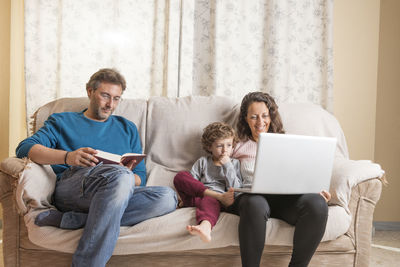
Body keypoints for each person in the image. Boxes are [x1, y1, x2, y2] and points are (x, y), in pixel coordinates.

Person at [16, 68, 177, 267]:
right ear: (90, 91)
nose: (110, 104)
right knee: (121, 177)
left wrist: (126, 175)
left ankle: (73, 220)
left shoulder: (127, 128)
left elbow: (140, 177)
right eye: (105, 96)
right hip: (73, 187)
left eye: (117, 99)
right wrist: (68, 157)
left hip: (116, 190)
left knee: (168, 198)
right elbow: (24, 148)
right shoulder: (62, 121)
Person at [228, 92, 331, 267]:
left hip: (285, 199)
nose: (260, 122)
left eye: (264, 116)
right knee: (256, 204)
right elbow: (217, 169)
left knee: (317, 203)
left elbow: (302, 173)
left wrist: (315, 188)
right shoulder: (236, 145)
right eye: (254, 117)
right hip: (252, 198)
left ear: (271, 116)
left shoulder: (287, 143)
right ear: (245, 119)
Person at [173, 122, 243, 242]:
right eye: (220, 146)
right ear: (210, 147)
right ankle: (213, 198)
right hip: (199, 197)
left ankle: (205, 226)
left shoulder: (234, 164)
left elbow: (236, 189)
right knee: (180, 176)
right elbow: (191, 183)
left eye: (229, 145)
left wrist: (227, 165)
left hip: (223, 201)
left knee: (210, 200)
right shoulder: (203, 162)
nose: (225, 150)